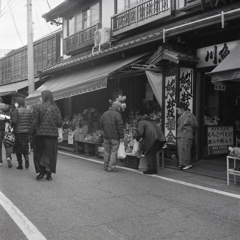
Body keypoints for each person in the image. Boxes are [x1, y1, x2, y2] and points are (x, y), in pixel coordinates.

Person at [31, 90, 63, 180]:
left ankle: (41, 172)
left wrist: (31, 133)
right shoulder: (56, 108)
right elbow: (60, 123)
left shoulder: (37, 107)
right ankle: (49, 174)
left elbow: (34, 123)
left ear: (43, 97)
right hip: (52, 136)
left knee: (39, 153)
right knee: (51, 154)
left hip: (40, 136)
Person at [100, 101, 124, 172]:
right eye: (119, 107)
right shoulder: (118, 115)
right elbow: (120, 127)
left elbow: (101, 124)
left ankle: (105, 166)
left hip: (106, 137)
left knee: (107, 152)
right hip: (114, 137)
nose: (120, 109)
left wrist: (105, 131)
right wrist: (121, 137)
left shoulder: (105, 114)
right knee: (113, 152)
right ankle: (111, 167)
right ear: (117, 107)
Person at [176, 102, 198, 170]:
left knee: (186, 150)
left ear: (182, 109)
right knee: (180, 150)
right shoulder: (180, 117)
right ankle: (181, 164)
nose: (177, 112)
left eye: (178, 110)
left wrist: (190, 131)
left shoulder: (190, 115)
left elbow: (196, 125)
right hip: (180, 135)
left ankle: (187, 164)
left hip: (187, 135)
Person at [12, 97, 32, 170]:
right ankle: (26, 157)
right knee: (25, 146)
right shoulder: (28, 110)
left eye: (16, 102)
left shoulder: (16, 110)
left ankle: (20, 164)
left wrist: (10, 121)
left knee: (18, 149)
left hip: (18, 132)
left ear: (18, 103)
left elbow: (14, 121)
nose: (15, 104)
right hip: (26, 132)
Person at [0, 97, 13, 168]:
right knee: (8, 144)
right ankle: (8, 157)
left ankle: (0, 161)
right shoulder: (8, 108)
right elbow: (11, 119)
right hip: (6, 129)